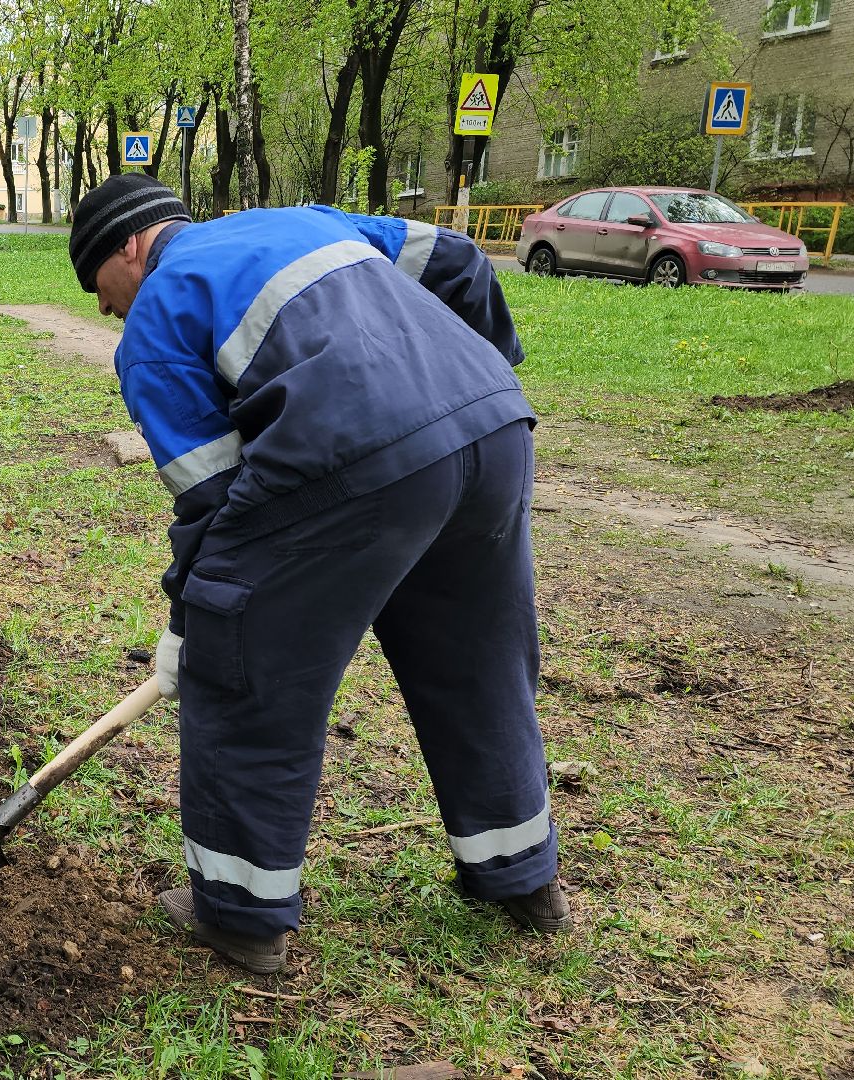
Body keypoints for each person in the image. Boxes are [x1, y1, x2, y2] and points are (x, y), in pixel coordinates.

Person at [67, 173, 564, 977]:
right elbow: (460, 260)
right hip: (493, 427)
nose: (103, 308)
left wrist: (197, 625)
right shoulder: (301, 221)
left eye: (98, 287)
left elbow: (213, 503)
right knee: (476, 659)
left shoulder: (156, 317)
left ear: (129, 246)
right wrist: (473, 379)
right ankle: (523, 877)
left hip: (354, 458)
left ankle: (240, 914)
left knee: (245, 666)